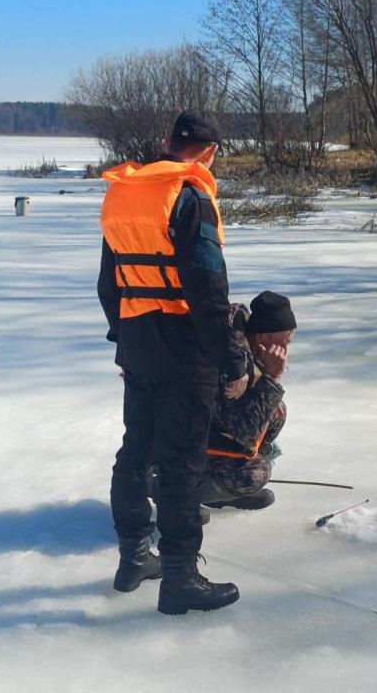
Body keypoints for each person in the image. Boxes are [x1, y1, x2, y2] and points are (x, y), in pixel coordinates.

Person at [98, 109, 249, 615]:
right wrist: (231, 359)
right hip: (185, 347)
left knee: (135, 452)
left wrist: (124, 339)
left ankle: (134, 559)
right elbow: (207, 288)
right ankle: (181, 579)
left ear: (168, 140)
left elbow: (108, 283)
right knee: (182, 463)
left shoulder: (123, 194)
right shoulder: (190, 196)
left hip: (138, 340)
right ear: (209, 152)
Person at [202, 291, 296, 510]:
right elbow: (246, 432)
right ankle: (178, 492)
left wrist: (264, 378)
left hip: (209, 433)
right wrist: (271, 378)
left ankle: (222, 490)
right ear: (264, 338)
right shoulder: (231, 368)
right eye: (284, 341)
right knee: (255, 474)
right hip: (183, 444)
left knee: (277, 410)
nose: (286, 349)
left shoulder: (246, 352)